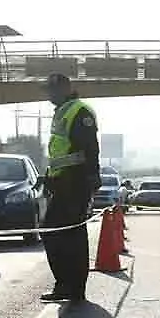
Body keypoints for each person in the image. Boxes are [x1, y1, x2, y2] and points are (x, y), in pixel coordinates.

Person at [40, 73, 100, 303]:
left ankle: (72, 287)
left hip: (75, 181)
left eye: (52, 91)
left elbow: (89, 146)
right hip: (62, 181)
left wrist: (92, 177)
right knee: (59, 233)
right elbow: (59, 151)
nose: (49, 96)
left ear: (65, 88)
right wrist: (49, 178)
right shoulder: (63, 111)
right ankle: (68, 286)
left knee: (68, 234)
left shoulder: (79, 111)